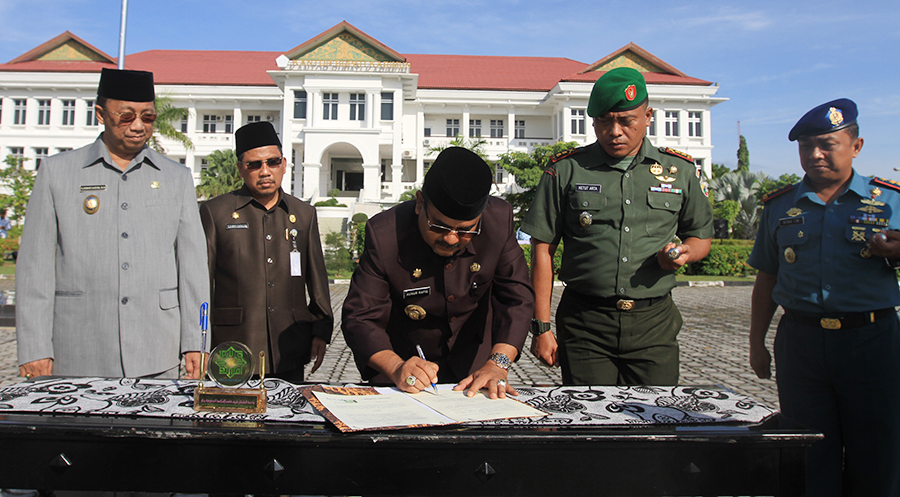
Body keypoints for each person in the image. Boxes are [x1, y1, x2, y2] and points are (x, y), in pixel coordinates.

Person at [521, 67, 713, 385]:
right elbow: (543, 247)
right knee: (593, 425)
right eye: (604, 121)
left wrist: (682, 253)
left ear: (648, 116)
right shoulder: (566, 170)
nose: (615, 132)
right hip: (585, 324)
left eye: (626, 121)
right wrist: (541, 326)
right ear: (592, 121)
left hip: (654, 324)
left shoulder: (679, 171)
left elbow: (701, 236)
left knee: (658, 423)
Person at [748, 98, 900, 497]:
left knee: (877, 451)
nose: (814, 154)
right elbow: (767, 275)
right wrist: (756, 344)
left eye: (827, 144)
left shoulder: (890, 202)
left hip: (872, 341)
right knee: (808, 450)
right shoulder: (781, 205)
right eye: (806, 146)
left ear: (856, 145)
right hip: (802, 343)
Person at [16, 68, 207, 380]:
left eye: (148, 117)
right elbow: (35, 269)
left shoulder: (177, 178)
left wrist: (196, 342)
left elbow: (193, 269)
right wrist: (35, 347)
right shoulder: (57, 172)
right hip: (79, 348)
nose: (138, 126)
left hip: (157, 347)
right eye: (126, 116)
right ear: (101, 114)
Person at [342, 147, 534, 398]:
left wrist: (498, 363)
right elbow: (360, 316)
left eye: (466, 230)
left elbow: (517, 298)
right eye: (440, 226)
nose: (452, 239)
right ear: (421, 204)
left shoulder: (498, 221)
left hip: (475, 370)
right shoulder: (385, 233)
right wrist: (396, 366)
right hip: (403, 369)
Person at [199, 122, 333, 383]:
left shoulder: (303, 214)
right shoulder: (216, 213)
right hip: (233, 345)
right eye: (254, 164)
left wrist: (320, 331)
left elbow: (317, 280)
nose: (265, 171)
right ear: (240, 168)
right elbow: (202, 282)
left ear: (284, 164)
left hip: (290, 344)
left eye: (272, 162)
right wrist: (199, 340)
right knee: (232, 419)